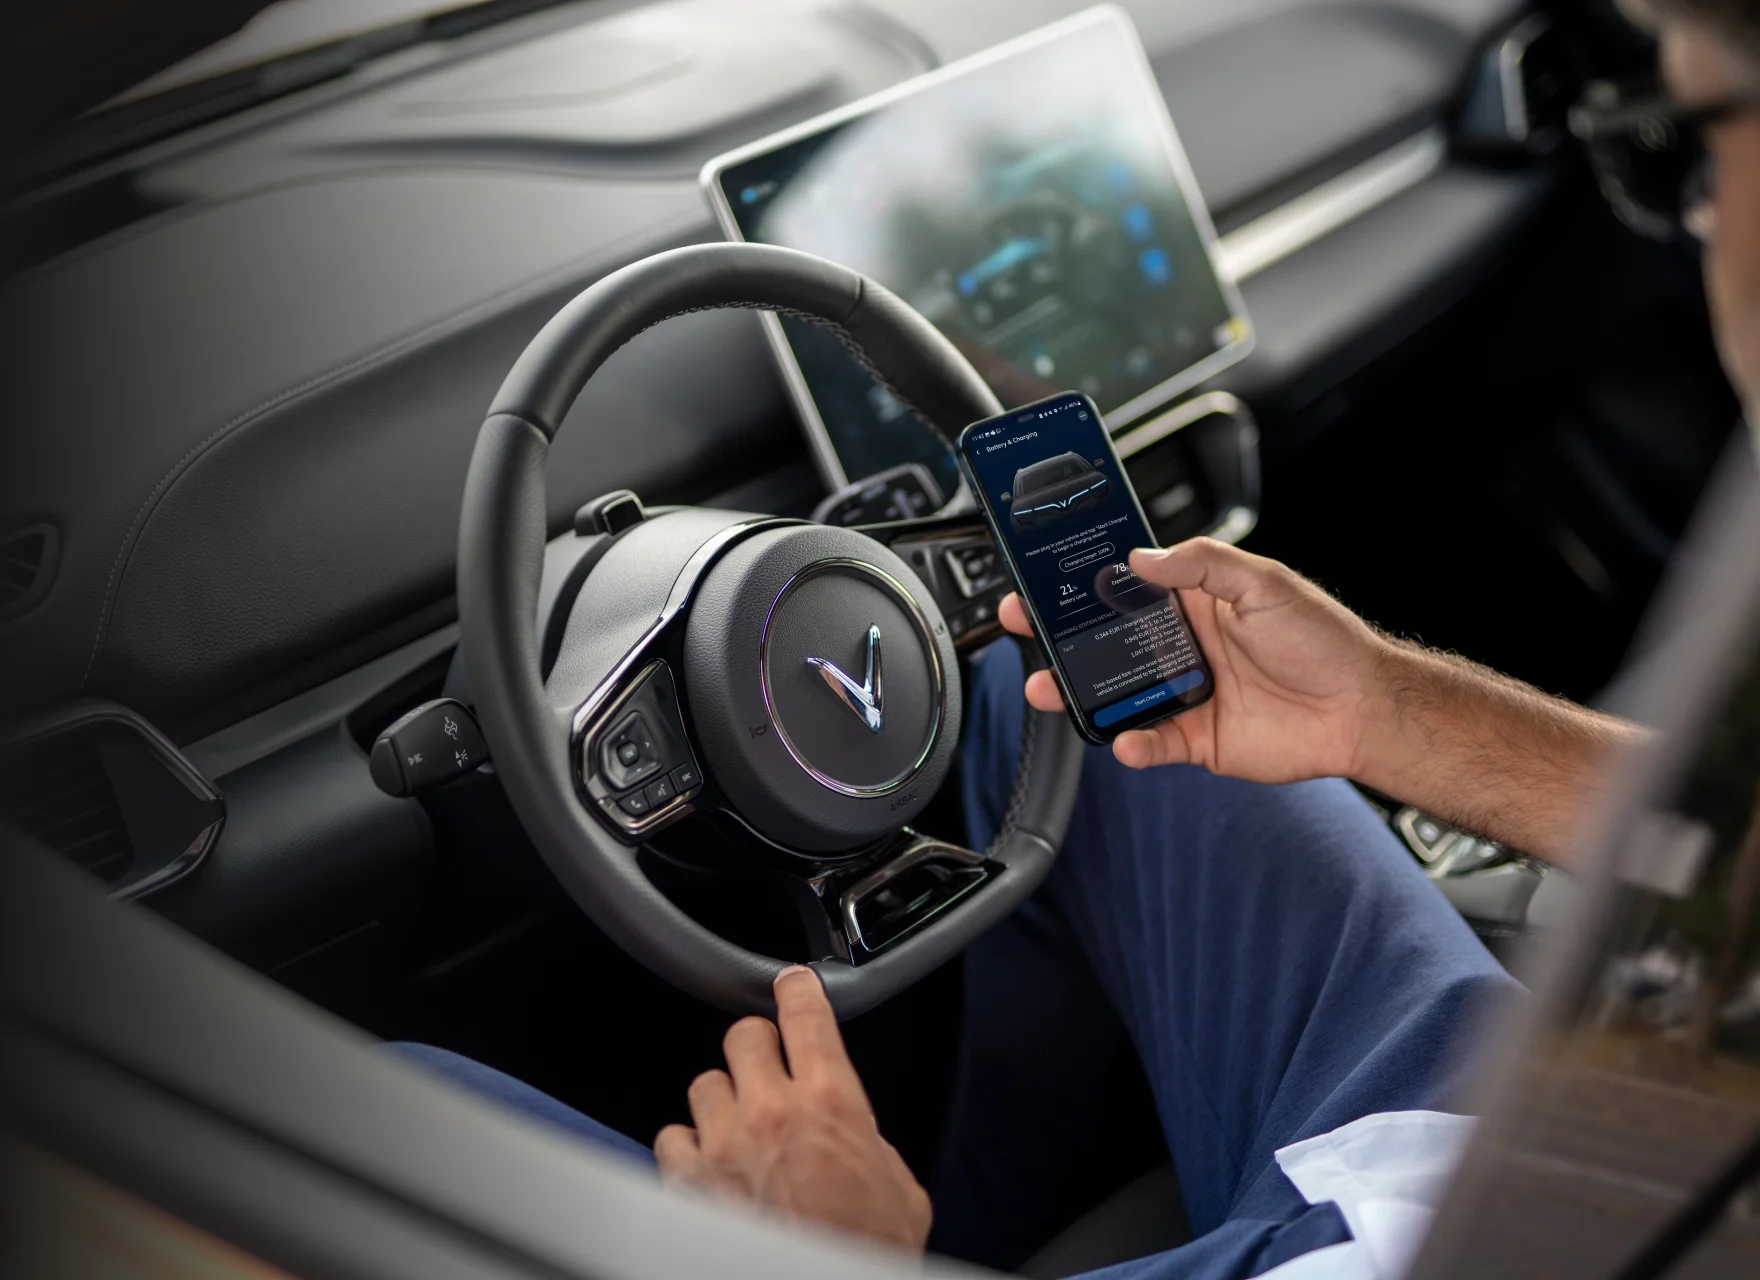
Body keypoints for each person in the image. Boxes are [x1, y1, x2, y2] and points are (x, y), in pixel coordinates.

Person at [393, 1, 1760, 1274]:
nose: (1695, 224)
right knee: (1037, 689)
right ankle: (1007, 1219)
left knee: (388, 1116)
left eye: (1685, 140)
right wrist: (1388, 713)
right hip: (1499, 1144)